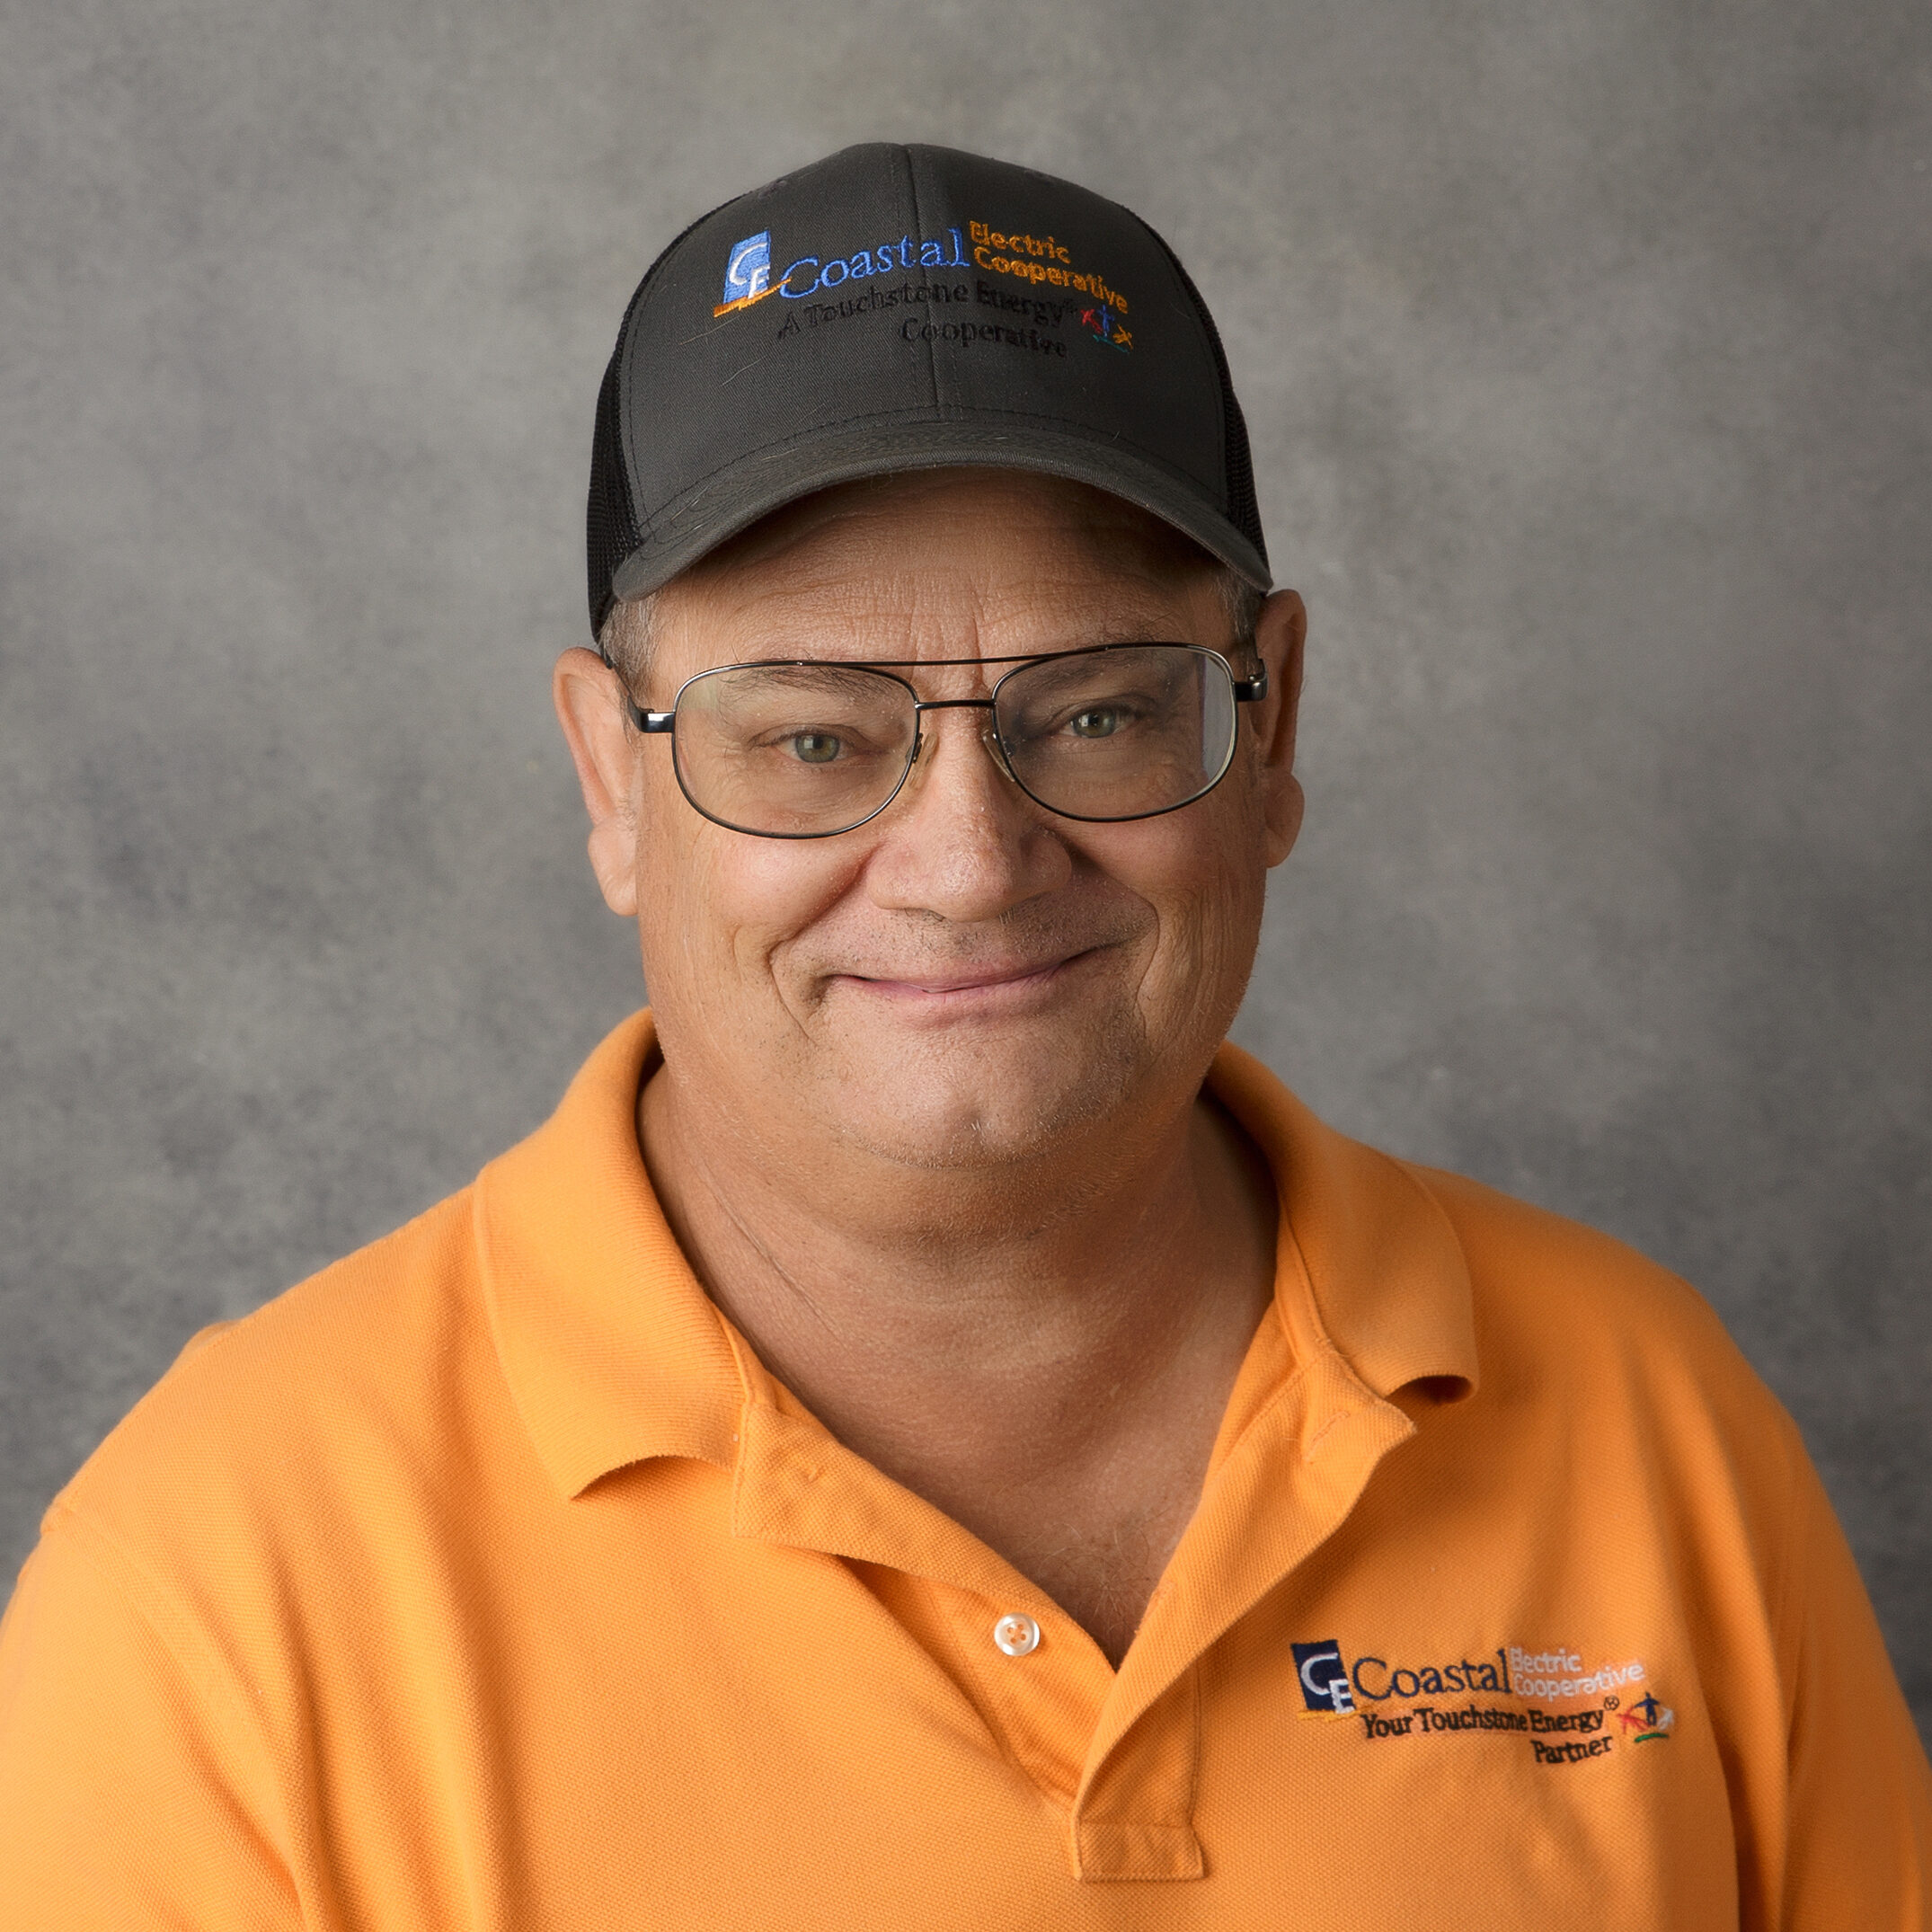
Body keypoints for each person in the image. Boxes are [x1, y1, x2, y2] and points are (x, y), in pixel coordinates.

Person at [0, 141, 1925, 1929]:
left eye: (1093, 711)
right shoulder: (223, 1583)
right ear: (610, 778)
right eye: (812, 735)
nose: (967, 863)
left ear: (1273, 728)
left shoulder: (1651, 1420)